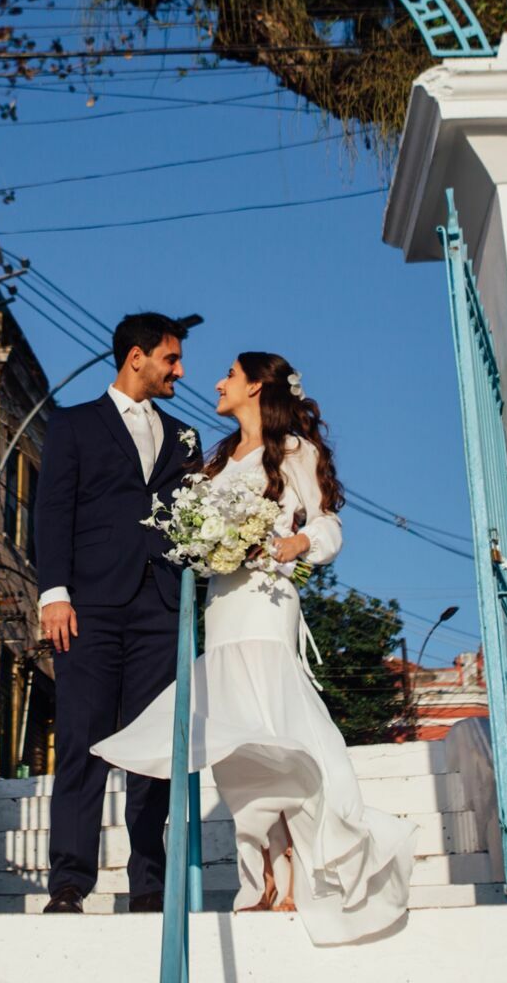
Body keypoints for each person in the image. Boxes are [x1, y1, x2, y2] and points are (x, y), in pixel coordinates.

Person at [92, 351, 415, 945]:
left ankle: (294, 868)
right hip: (222, 609)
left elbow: (329, 525)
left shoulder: (295, 452)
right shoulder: (217, 461)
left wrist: (297, 544)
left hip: (267, 605)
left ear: (258, 386)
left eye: (230, 376)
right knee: (235, 745)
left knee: (274, 729)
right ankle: (260, 874)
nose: (218, 382)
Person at [33, 312, 201, 914]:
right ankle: (70, 883)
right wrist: (53, 592)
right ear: (137, 357)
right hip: (89, 609)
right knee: (82, 741)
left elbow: (191, 519)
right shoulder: (73, 424)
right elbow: (52, 510)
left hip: (161, 605)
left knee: (154, 750)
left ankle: (150, 885)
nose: (180, 371)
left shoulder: (185, 437)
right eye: (171, 359)